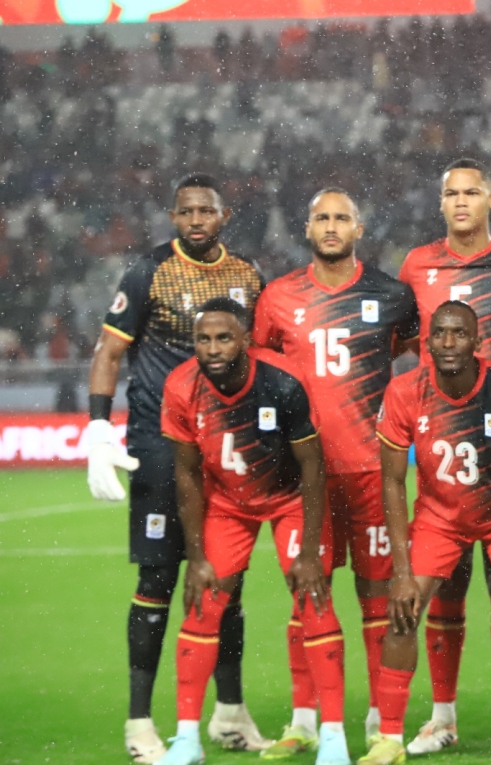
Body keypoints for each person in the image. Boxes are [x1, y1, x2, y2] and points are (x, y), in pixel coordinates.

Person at [86, 174, 267, 762]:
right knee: (158, 580)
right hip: (162, 444)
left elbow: (262, 353)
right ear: (172, 217)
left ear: (224, 215)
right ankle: (140, 722)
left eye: (205, 211)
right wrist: (97, 427)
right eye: (185, 212)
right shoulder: (149, 272)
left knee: (227, 580)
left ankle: (229, 713)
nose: (195, 221)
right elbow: (109, 351)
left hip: (226, 446)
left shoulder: (247, 275)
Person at [361, 301, 491, 765]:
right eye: (440, 333)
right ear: (426, 342)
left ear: (477, 342)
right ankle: (389, 739)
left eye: (459, 333)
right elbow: (392, 482)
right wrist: (402, 572)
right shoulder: (404, 391)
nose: (448, 342)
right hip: (439, 518)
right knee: (403, 610)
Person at [253, 188, 418, 755]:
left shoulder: (392, 295)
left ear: (359, 229)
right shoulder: (278, 297)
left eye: (341, 218)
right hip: (305, 476)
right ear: (306, 228)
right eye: (321, 217)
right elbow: (261, 370)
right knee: (308, 593)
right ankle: (304, 721)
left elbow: (417, 356)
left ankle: (377, 720)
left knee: (378, 599)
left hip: (373, 470)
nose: (330, 226)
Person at [156, 298, 348, 765]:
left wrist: (308, 552)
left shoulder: (282, 381)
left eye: (224, 338)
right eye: (203, 339)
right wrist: (196, 557)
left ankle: (333, 738)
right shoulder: (181, 386)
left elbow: (313, 466)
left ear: (245, 339)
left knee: (313, 601)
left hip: (291, 500)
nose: (213, 348)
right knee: (202, 604)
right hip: (228, 505)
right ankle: (186, 740)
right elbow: (186, 474)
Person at [397, 159, 491, 756]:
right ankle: (442, 717)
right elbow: (407, 336)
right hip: (444, 440)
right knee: (445, 592)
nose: (461, 201)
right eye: (451, 193)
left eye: (472, 192)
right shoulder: (416, 265)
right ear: (440, 203)